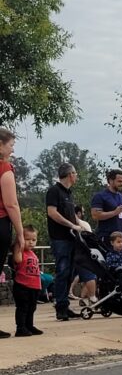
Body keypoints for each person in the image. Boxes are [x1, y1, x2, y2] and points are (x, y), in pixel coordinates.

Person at [45, 162, 84, 320]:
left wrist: (81, 225)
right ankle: (60, 307)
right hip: (60, 238)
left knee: (70, 272)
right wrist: (71, 225)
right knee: (62, 271)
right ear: (70, 175)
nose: (76, 176)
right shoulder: (54, 191)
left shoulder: (69, 193)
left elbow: (71, 214)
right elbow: (52, 213)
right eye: (75, 173)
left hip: (71, 237)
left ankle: (65, 304)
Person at [0, 127, 25, 287]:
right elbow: (11, 204)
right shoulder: (5, 168)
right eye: (11, 145)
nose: (13, 149)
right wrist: (20, 233)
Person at [9, 224, 43, 336]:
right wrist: (19, 241)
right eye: (27, 239)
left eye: (34, 240)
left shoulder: (33, 254)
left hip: (34, 286)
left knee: (32, 308)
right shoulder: (20, 252)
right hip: (22, 286)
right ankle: (21, 327)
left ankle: (29, 325)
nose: (31, 242)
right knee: (23, 308)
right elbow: (18, 260)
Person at [90, 169, 122, 247]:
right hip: (107, 237)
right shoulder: (100, 196)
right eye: (119, 181)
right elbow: (95, 215)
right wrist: (114, 212)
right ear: (111, 181)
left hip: (121, 239)